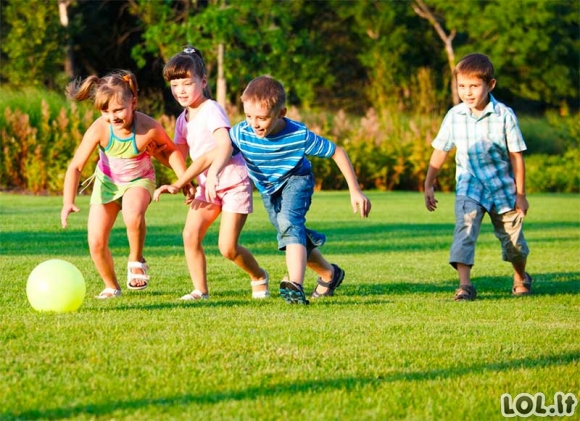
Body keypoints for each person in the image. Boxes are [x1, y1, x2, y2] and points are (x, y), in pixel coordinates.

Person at [157, 75, 371, 305]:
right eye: (248, 116)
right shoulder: (243, 132)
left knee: (289, 223)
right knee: (290, 233)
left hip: (296, 179)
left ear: (281, 113)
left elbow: (337, 152)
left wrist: (355, 190)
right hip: (269, 189)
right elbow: (212, 155)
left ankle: (295, 285)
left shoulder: (298, 135)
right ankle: (330, 274)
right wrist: (182, 182)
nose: (254, 123)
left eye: (262, 118)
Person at [155, 47, 269, 301]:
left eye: (187, 83)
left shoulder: (211, 109)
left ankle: (259, 276)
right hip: (207, 185)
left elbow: (225, 145)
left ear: (203, 82)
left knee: (227, 248)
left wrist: (214, 172)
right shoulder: (182, 119)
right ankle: (200, 291)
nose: (181, 90)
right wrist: (176, 178)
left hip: (232, 182)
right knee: (190, 235)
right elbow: (178, 156)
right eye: (175, 84)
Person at [61, 70, 187, 299]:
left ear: (133, 103)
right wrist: (68, 201)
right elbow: (76, 167)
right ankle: (111, 286)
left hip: (139, 181)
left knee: (132, 214)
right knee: (96, 242)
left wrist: (184, 180)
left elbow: (171, 153)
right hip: (107, 184)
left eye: (118, 110)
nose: (112, 117)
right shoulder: (100, 128)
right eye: (105, 111)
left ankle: (136, 258)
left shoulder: (148, 127)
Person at [424, 53, 531, 301]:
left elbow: (516, 156)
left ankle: (521, 276)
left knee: (514, 244)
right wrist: (429, 183)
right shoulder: (454, 116)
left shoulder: (504, 115)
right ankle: (465, 286)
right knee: (465, 229)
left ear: (490, 84)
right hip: (469, 186)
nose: (467, 92)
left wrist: (521, 194)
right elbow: (441, 150)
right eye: (462, 86)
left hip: (503, 189)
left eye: (474, 86)